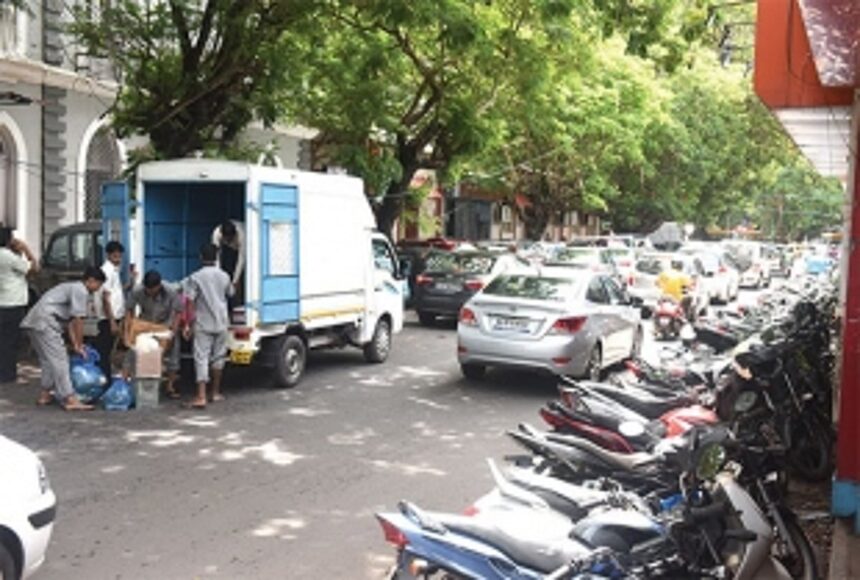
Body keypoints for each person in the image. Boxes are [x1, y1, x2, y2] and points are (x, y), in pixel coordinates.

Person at [22, 267, 106, 410]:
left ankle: (45, 394)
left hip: (34, 322)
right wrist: (79, 345)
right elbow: (78, 320)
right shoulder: (81, 290)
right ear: (91, 281)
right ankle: (70, 398)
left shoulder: (70, 287)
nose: (98, 288)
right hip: (47, 322)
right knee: (61, 360)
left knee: (48, 360)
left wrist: (75, 344)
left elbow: (70, 324)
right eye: (99, 284)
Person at [184, 243, 234, 409]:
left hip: (203, 323)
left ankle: (201, 396)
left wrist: (189, 324)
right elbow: (231, 293)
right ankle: (216, 393)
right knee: (219, 357)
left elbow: (190, 301)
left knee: (201, 358)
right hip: (221, 322)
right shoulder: (224, 275)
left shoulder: (195, 277)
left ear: (200, 257)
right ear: (217, 257)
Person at [123, 270, 184, 399]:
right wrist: (129, 330)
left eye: (153, 290)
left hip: (164, 324)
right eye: (148, 290)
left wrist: (173, 331)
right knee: (132, 351)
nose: (150, 292)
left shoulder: (171, 291)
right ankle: (125, 381)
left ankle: (170, 385)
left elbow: (178, 312)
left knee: (173, 354)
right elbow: (129, 310)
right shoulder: (137, 291)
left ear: (159, 286)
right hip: (146, 322)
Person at [0, 228, 38, 383]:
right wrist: (26, 249)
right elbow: (34, 268)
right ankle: (8, 375)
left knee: (3, 340)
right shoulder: (8, 257)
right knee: (11, 341)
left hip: (2, 301)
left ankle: (5, 372)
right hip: (12, 303)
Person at [90, 241, 132, 379]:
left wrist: (130, 283)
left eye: (120, 256)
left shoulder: (114, 271)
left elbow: (116, 292)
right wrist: (112, 321)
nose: (118, 259)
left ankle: (105, 377)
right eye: (115, 256)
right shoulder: (107, 271)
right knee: (105, 351)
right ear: (108, 255)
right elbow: (106, 298)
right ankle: (104, 378)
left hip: (113, 316)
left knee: (108, 350)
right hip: (108, 318)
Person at [211, 220, 245, 307]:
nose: (228, 240)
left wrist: (235, 281)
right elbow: (216, 257)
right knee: (227, 268)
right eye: (226, 239)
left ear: (234, 235)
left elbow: (241, 259)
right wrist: (218, 276)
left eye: (230, 239)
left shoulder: (242, 235)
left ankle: (238, 303)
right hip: (228, 251)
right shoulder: (217, 234)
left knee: (240, 277)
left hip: (243, 250)